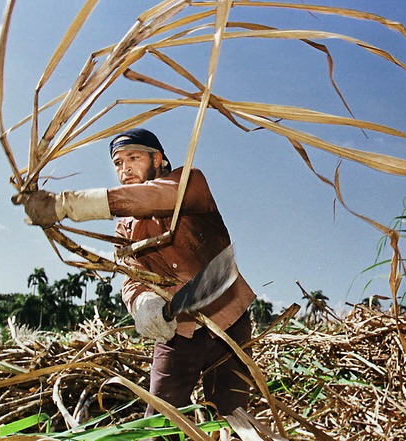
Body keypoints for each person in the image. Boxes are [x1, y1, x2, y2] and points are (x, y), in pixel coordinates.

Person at [19, 128, 257, 418]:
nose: (125, 168)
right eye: (118, 163)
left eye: (133, 157)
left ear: (157, 159)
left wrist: (65, 205)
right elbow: (131, 277)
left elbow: (148, 198)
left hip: (228, 320)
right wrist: (143, 304)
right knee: (159, 423)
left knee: (233, 419)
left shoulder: (189, 182)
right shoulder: (125, 228)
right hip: (178, 331)